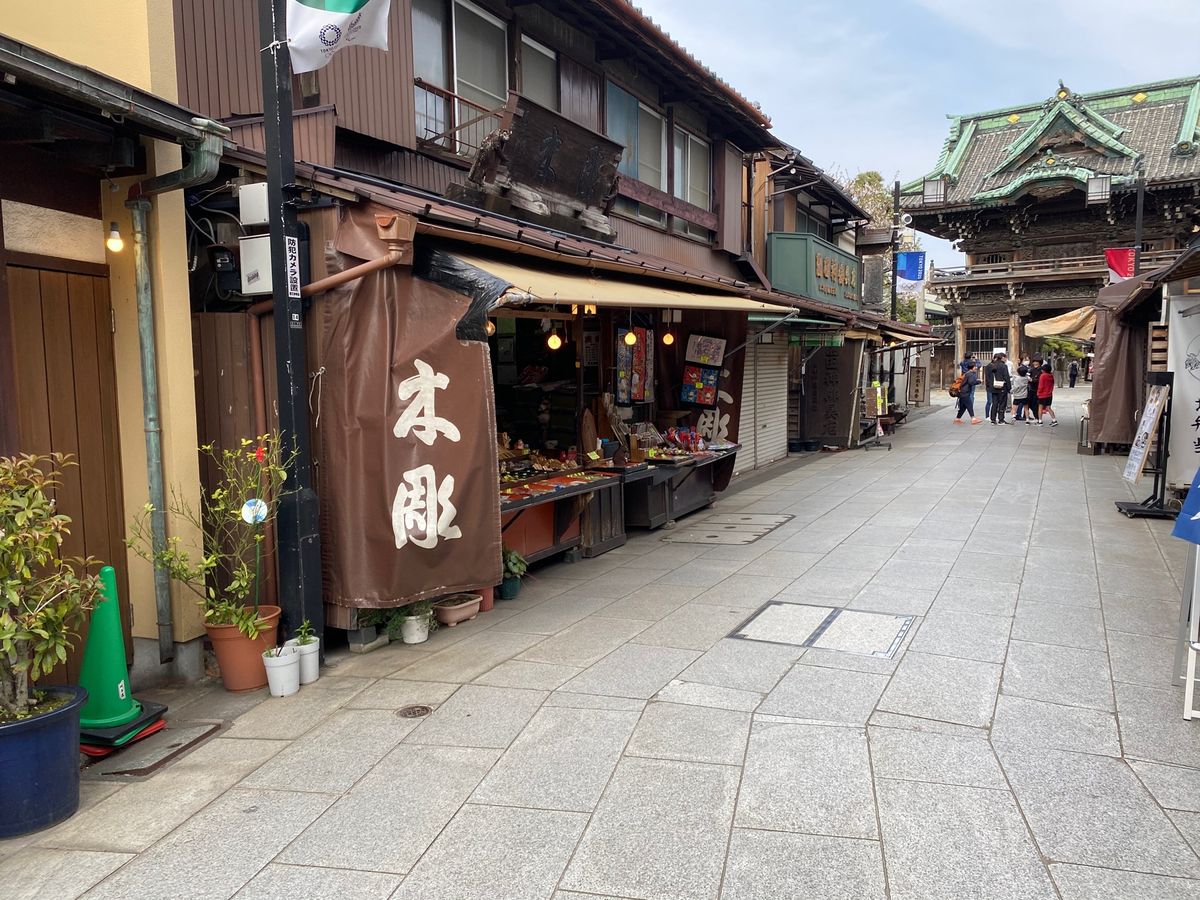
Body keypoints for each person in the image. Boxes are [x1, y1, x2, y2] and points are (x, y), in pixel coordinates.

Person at [985, 354, 1012, 424]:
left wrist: (988, 387)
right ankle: (1001, 419)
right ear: (1001, 358)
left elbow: (987, 377)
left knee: (994, 403)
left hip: (993, 387)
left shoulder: (989, 366)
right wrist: (1009, 388)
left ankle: (993, 419)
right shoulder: (1003, 366)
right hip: (1002, 387)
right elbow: (1006, 377)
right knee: (1002, 403)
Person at [1026, 356, 1043, 423]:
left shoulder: (1041, 370)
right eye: (1034, 362)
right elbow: (1028, 375)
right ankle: (1034, 416)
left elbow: (1039, 380)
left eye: (1037, 362)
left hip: (1038, 389)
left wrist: (1032, 380)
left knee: (1036, 404)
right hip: (1031, 389)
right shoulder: (1032, 369)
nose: (1035, 363)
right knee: (1029, 403)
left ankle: (1037, 417)